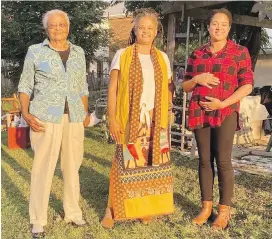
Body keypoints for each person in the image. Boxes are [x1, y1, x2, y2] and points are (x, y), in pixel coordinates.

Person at [18, 9, 90, 238]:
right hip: (44, 118)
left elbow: (82, 86)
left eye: (62, 24)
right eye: (53, 25)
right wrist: (25, 113)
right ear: (46, 29)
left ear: (68, 27)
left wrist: (85, 111)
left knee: (72, 166)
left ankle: (73, 212)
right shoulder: (35, 52)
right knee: (42, 168)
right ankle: (38, 219)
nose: (57, 28)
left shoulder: (78, 52)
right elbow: (25, 85)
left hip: (74, 118)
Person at [101, 8, 175, 229]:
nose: (145, 31)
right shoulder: (122, 55)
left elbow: (169, 89)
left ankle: (144, 207)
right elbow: (113, 88)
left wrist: (167, 112)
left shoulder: (162, 58)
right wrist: (112, 118)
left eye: (150, 28)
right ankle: (111, 209)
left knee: (151, 164)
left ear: (156, 32)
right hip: (129, 118)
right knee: (124, 162)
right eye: (141, 27)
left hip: (156, 120)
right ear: (135, 29)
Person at [182, 8, 253, 230]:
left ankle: (224, 211)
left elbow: (247, 85)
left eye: (223, 24)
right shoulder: (197, 54)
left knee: (222, 160)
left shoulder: (239, 52)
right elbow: (184, 86)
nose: (218, 27)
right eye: (215, 23)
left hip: (225, 112)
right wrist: (198, 79)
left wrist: (223, 103)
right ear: (209, 26)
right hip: (200, 111)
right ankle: (206, 208)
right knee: (204, 160)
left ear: (229, 28)